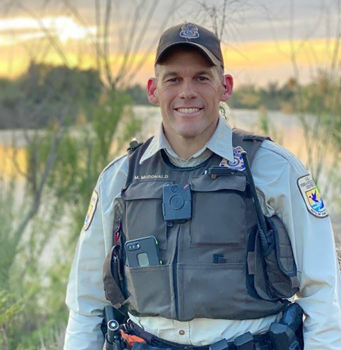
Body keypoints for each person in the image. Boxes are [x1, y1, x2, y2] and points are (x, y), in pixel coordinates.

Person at [64, 23, 341, 350]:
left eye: (201, 78)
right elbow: (86, 300)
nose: (187, 92)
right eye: (173, 79)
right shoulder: (120, 178)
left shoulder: (274, 168)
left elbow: (323, 291)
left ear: (225, 87)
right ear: (153, 90)